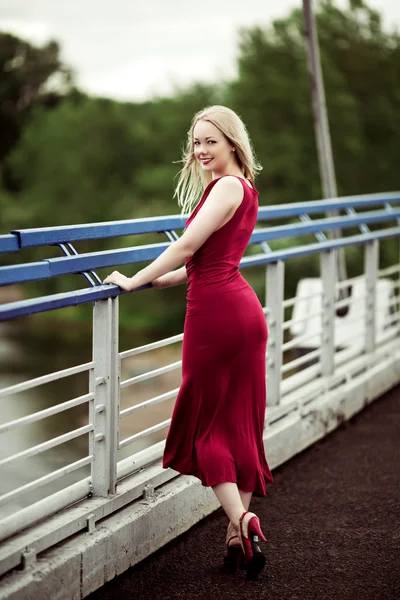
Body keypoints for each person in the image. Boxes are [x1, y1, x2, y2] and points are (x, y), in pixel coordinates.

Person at [104, 105, 273, 579]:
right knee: (240, 424)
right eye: (195, 142)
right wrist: (166, 281)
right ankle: (238, 539)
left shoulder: (224, 186)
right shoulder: (245, 189)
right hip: (241, 311)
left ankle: (243, 518)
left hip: (216, 317)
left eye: (210, 142)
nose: (200, 151)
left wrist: (136, 280)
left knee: (207, 427)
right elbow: (209, 259)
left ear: (232, 144)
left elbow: (186, 246)